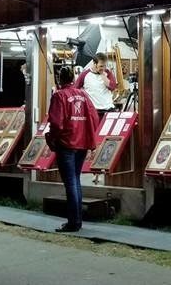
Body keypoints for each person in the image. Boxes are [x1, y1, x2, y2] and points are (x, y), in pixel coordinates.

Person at [47, 66, 101, 232]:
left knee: (70, 182)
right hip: (82, 143)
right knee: (75, 180)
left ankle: (73, 222)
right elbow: (94, 117)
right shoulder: (83, 95)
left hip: (66, 143)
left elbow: (56, 123)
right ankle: (77, 221)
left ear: (60, 78)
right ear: (73, 78)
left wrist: (52, 138)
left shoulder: (59, 96)